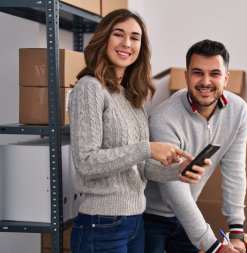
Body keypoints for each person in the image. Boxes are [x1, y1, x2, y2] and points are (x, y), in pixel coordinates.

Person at [68, 9, 209, 253]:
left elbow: (140, 168)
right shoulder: (89, 88)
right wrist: (146, 148)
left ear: (140, 47)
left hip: (135, 224)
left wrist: (178, 171)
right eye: (118, 34)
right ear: (104, 39)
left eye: (135, 38)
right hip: (102, 225)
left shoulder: (130, 97)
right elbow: (86, 162)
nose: (126, 43)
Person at [144, 39, 247, 253]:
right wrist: (212, 247)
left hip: (188, 212)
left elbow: (235, 170)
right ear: (186, 76)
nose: (206, 81)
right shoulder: (164, 118)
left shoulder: (238, 111)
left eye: (215, 74)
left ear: (226, 78)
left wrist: (236, 230)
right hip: (149, 216)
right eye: (198, 72)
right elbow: (174, 187)